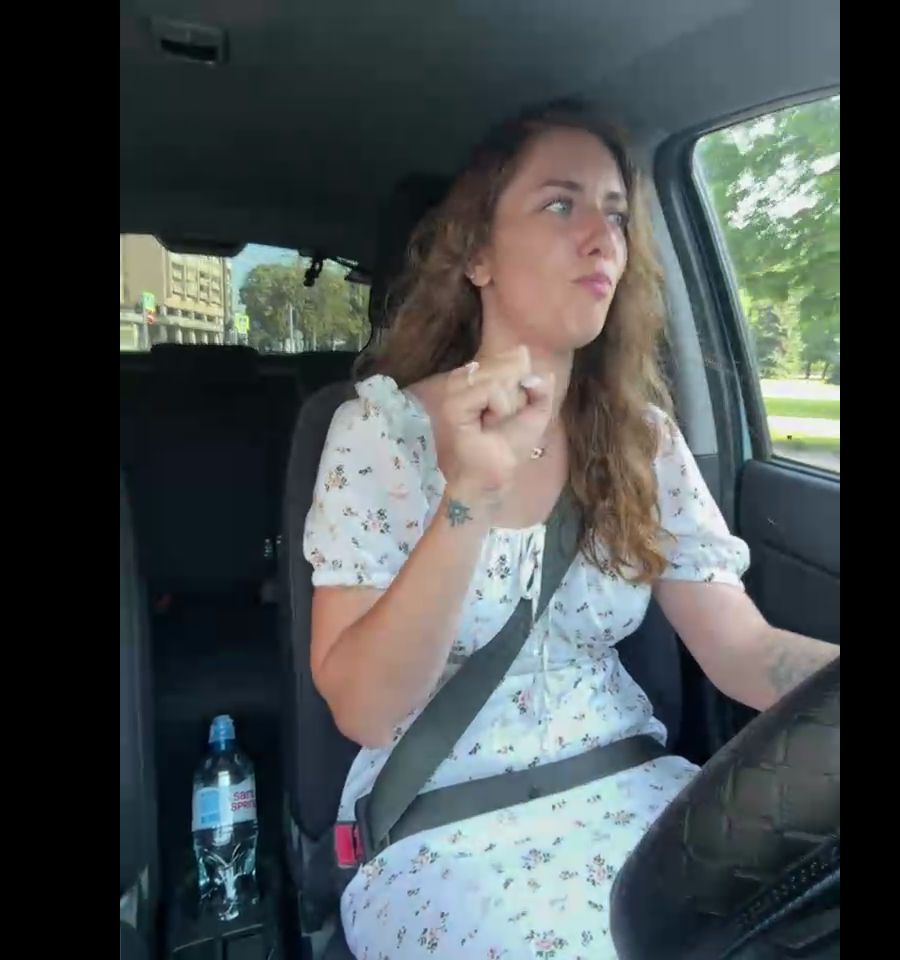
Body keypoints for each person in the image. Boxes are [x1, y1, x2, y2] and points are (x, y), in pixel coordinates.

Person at [303, 100, 838, 960]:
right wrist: (469, 494)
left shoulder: (642, 440)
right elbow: (365, 710)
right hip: (438, 825)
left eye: (617, 216)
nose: (603, 240)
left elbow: (743, 651)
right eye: (561, 204)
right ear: (476, 255)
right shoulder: (379, 435)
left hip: (643, 799)